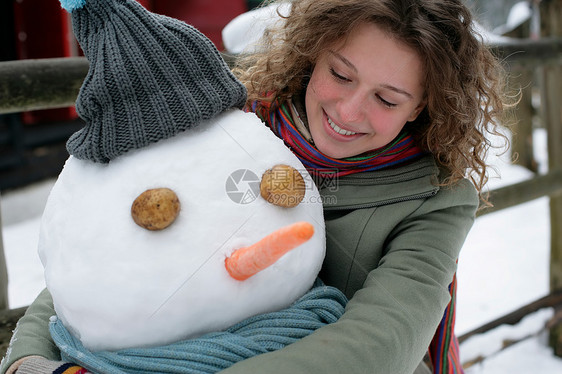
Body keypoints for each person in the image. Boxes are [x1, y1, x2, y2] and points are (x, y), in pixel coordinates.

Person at [0, 0, 512, 373]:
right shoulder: (245, 131)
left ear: (421, 106)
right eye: (341, 73)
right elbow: (115, 255)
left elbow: (382, 341)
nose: (349, 111)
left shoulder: (437, 197)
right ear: (316, 54)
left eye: (388, 98)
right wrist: (29, 354)